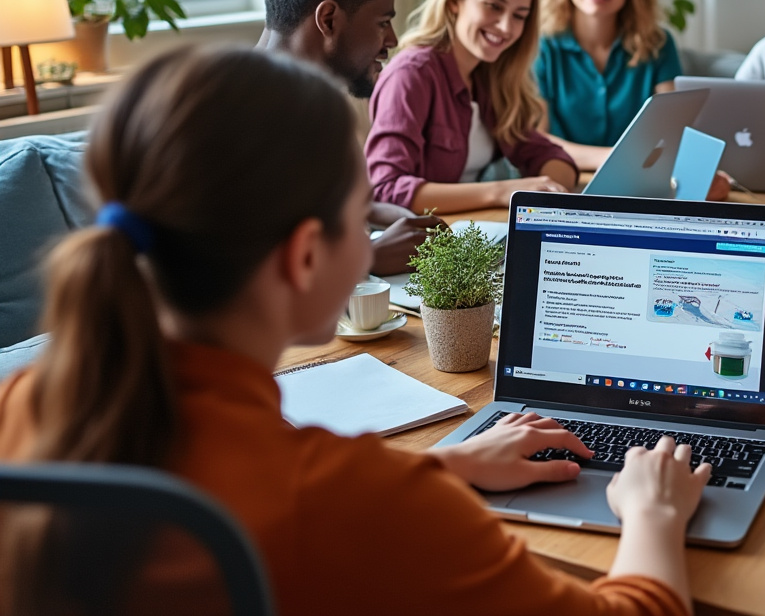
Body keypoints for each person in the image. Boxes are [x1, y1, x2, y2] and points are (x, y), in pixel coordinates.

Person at [0, 46, 710, 615]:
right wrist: (652, 512)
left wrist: (440, 467)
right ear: (306, 255)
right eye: (363, 212)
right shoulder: (340, 498)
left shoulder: (30, 400)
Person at [258, 0, 440, 275]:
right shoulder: (236, 123)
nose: (392, 40)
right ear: (328, 19)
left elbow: (343, 206)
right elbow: (245, 272)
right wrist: (367, 258)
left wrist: (402, 220)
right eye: (382, 23)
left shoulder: (315, 105)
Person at [365, 0, 578, 214]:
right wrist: (501, 192)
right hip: (426, 238)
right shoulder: (412, 74)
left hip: (474, 232)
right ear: (455, 1)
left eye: (519, 16)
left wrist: (549, 189)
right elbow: (385, 189)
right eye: (494, 6)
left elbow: (551, 156)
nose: (506, 27)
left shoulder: (491, 77)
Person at [535, 0, 682, 171]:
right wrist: (613, 158)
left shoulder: (658, 44)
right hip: (564, 180)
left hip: (639, 179)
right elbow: (538, 140)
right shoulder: (541, 47)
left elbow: (672, 131)